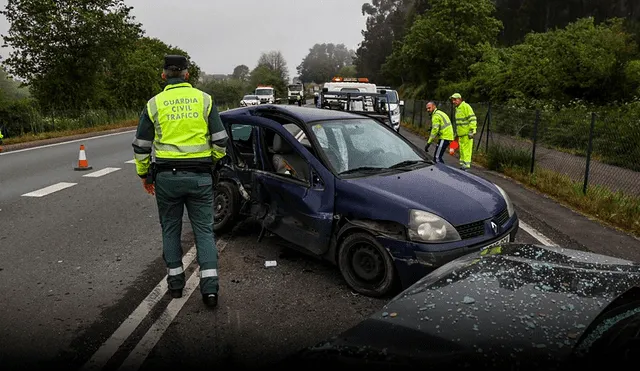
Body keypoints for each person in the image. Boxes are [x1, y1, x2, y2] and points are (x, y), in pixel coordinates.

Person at [132, 55, 228, 308]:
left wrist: (144, 174)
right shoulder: (204, 100)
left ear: (164, 75)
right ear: (187, 74)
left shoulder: (154, 104)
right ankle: (210, 291)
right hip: (200, 177)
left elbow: (142, 146)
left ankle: (175, 286)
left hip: (166, 179)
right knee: (204, 232)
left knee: (171, 230)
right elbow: (220, 140)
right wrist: (212, 162)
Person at [450, 93, 477, 170]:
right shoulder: (458, 109)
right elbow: (459, 123)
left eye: (455, 100)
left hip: (467, 134)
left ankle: (466, 166)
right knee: (462, 150)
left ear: (460, 99)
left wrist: (472, 130)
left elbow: (472, 119)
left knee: (466, 150)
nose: (453, 102)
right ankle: (462, 165)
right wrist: (457, 133)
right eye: (453, 100)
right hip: (461, 134)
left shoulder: (466, 106)